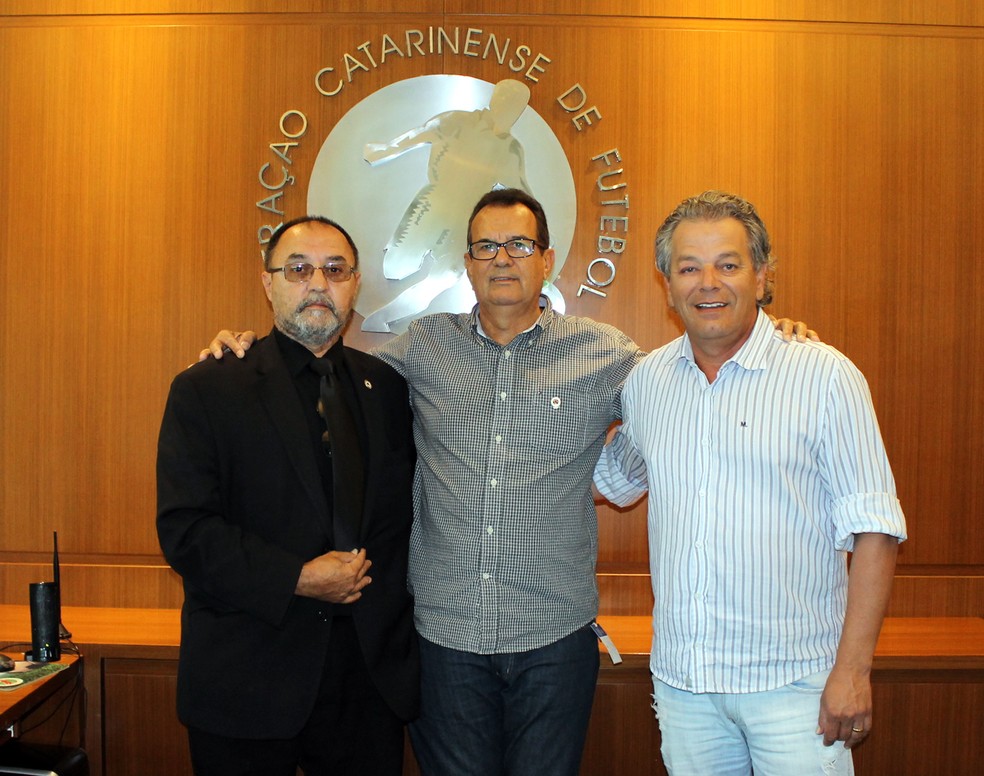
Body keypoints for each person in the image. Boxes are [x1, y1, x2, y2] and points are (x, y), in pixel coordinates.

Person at [204, 190, 813, 776]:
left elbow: (690, 383)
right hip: (444, 638)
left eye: (519, 245)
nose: (502, 259)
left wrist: (766, 333)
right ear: (467, 264)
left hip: (554, 638)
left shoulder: (607, 354)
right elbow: (322, 380)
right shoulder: (421, 348)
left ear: (547, 260)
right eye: (486, 247)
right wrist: (247, 352)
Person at [594, 190, 907, 776]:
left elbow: (875, 531)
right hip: (686, 689)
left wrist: (853, 670)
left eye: (729, 264)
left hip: (796, 689)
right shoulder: (647, 383)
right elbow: (610, 479)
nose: (708, 282)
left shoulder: (824, 377)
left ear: (762, 277)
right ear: (667, 284)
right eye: (689, 267)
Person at [157, 216, 418, 775]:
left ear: (355, 284)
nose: (318, 283)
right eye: (298, 269)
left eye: (335, 269)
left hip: (367, 689)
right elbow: (186, 530)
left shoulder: (390, 390)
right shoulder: (208, 387)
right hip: (247, 684)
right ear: (268, 282)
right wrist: (296, 577)